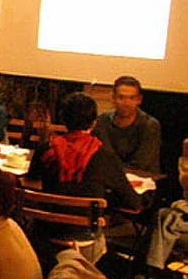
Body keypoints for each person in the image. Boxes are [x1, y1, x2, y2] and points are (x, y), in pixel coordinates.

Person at [28, 92, 142, 262]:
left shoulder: (46, 149)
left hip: (43, 235)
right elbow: (133, 203)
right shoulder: (103, 155)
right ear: (94, 123)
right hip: (84, 239)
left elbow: (31, 179)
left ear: (63, 119)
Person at [93, 76, 161, 174]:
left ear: (139, 100)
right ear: (113, 98)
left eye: (132, 98)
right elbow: (104, 158)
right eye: (121, 97)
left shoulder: (150, 125)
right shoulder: (102, 121)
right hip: (110, 178)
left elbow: (141, 163)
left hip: (142, 180)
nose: (126, 103)